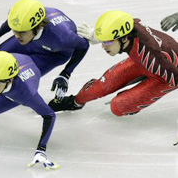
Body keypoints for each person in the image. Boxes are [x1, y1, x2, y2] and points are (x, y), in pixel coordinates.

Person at [0, 0, 89, 101]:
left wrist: (66, 74)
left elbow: (84, 45)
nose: (16, 36)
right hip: (33, 41)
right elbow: (13, 22)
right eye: (15, 31)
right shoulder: (24, 20)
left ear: (37, 26)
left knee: (17, 76)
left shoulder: (64, 37)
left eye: (20, 32)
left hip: (53, 54)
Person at [49, 10, 178, 116]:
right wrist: (98, 35)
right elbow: (123, 22)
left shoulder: (150, 55)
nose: (103, 46)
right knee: (99, 88)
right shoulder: (129, 29)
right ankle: (74, 102)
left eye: (108, 42)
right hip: (145, 62)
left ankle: (134, 97)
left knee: (118, 106)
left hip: (167, 75)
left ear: (124, 39)